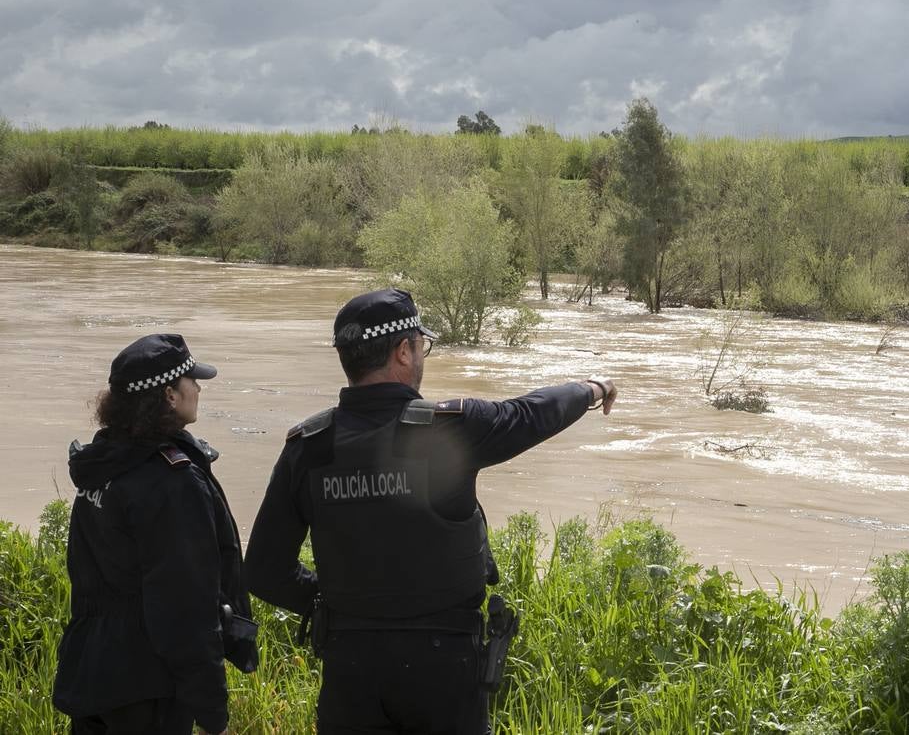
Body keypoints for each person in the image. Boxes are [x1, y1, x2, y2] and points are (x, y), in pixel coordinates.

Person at [245, 288, 617, 734]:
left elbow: (264, 570)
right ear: (403, 351)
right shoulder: (450, 429)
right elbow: (531, 414)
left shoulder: (308, 446)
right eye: (422, 346)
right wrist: (593, 388)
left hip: (350, 667)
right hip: (445, 669)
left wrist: (337, 606)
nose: (422, 355)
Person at [53, 334, 258, 735]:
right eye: (191, 380)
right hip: (147, 686)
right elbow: (187, 611)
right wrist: (213, 714)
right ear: (169, 395)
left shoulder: (104, 462)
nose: (198, 388)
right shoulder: (172, 483)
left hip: (91, 672)